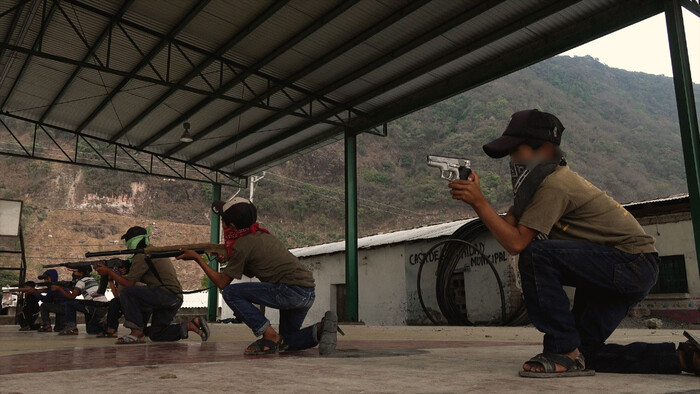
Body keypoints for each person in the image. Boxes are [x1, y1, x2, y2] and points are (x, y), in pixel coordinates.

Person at [447, 109, 699, 377]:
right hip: (620, 266)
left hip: (631, 262)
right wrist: (477, 198)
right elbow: (508, 228)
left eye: (516, 151)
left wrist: (479, 202)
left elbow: (517, 244)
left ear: (544, 150)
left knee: (536, 255)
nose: (513, 160)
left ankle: (562, 351)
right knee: (585, 354)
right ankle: (685, 359)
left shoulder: (555, 186)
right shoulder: (535, 190)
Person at [178, 197, 340, 356]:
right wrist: (230, 258)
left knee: (231, 293)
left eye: (223, 221)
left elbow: (222, 283)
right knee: (285, 341)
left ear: (231, 226)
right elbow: (254, 268)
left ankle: (269, 335)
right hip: (306, 292)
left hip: (290, 289)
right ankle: (321, 328)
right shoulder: (263, 236)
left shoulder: (242, 245)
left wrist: (197, 258)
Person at [95, 226, 208, 344]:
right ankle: (191, 325)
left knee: (128, 292)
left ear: (132, 241)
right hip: (175, 297)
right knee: (157, 333)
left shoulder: (142, 255)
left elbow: (129, 283)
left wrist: (109, 272)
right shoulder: (151, 251)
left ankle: (137, 333)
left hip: (166, 295)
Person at [52, 266, 108, 335]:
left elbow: (72, 297)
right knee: (91, 331)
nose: (73, 274)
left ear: (81, 273)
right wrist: (68, 286)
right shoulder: (91, 279)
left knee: (69, 303)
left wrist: (60, 288)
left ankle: (71, 327)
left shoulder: (81, 281)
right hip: (103, 306)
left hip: (94, 306)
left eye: (75, 272)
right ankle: (103, 325)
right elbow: (78, 293)